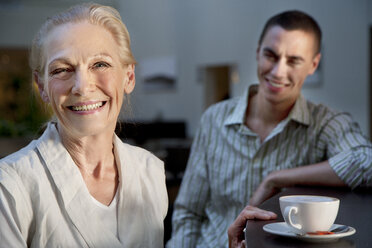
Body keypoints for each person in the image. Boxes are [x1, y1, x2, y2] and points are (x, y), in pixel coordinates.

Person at [167, 10, 372, 248]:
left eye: (294, 60)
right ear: (257, 52)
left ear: (313, 64)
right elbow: (188, 213)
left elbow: (365, 160)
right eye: (271, 56)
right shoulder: (214, 118)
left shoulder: (325, 124)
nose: (278, 71)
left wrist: (276, 178)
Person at [0, 3, 167, 247]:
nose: (82, 86)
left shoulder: (150, 171)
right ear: (42, 86)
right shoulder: (11, 185)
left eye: (100, 64)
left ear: (128, 77)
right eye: (62, 69)